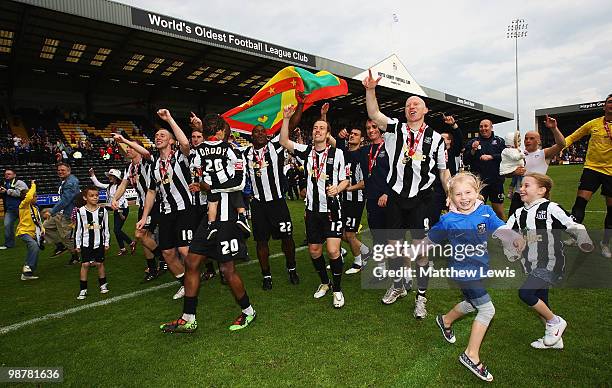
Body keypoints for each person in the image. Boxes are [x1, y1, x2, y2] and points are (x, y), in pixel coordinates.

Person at [363, 69, 450, 318]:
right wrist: (371, 90)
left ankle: (421, 297)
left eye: (416, 104)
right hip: (396, 198)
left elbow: (443, 172)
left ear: (424, 111)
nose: (411, 107)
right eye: (408, 104)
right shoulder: (395, 129)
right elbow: (374, 114)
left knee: (421, 251)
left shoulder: (435, 139)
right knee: (393, 247)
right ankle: (399, 285)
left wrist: (450, 193)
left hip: (422, 199)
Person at [159, 118, 256, 333]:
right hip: (210, 216)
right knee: (192, 262)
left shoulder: (232, 150)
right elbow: (196, 168)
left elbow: (239, 183)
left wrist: (209, 186)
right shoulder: (201, 151)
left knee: (227, 270)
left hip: (228, 217)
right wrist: (205, 184)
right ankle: (188, 318)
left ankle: (248, 311)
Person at [427, 172, 524, 382]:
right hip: (462, 272)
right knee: (487, 309)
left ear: (477, 192)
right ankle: (471, 355)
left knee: (472, 303)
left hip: (480, 269)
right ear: (451, 197)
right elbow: (430, 240)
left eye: (468, 192)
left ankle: (445, 321)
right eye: (458, 194)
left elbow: (501, 228)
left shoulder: (486, 212)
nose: (464, 198)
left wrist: (514, 238)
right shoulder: (448, 220)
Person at [508, 173, 593, 350]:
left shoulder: (550, 208)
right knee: (541, 301)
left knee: (525, 293)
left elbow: (572, 225)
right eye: (521, 186)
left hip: (549, 261)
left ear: (541, 190)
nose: (521, 189)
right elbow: (505, 231)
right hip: (530, 263)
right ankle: (555, 338)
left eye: (526, 186)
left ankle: (556, 322)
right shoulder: (518, 213)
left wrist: (583, 240)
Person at [279, 104, 349, 308]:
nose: (317, 131)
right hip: (312, 211)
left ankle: (337, 289)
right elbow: (284, 141)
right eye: (315, 128)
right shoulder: (306, 151)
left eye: (321, 128)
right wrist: (286, 118)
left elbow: (345, 179)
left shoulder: (337, 154)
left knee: (333, 251)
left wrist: (338, 188)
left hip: (332, 210)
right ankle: (324, 283)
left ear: (328, 134)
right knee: (314, 251)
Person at [135, 109, 193, 300]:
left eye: (163, 135)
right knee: (167, 253)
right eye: (156, 135)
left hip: (185, 209)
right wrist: (144, 217)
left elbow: (185, 143)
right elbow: (151, 192)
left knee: (184, 250)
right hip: (167, 211)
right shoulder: (153, 166)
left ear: (171, 141)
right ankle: (185, 283)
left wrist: (169, 119)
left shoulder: (180, 157)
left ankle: (198, 274)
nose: (158, 137)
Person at [243, 124, 300, 290]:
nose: (260, 134)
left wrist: (294, 111)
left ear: (267, 134)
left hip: (277, 203)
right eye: (256, 132)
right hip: (258, 205)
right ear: (251, 136)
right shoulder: (245, 153)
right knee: (261, 242)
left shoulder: (275, 146)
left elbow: (290, 127)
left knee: (287, 238)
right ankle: (266, 275)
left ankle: (292, 269)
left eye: (263, 131)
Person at [564, 93, 612, 258]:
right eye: (609, 102)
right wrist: (560, 147)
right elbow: (574, 136)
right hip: (592, 168)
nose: (611, 105)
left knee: (611, 210)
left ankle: (605, 244)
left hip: (611, 172)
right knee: (580, 204)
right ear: (604, 106)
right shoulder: (594, 124)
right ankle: (574, 236)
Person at [110, 134, 163, 282]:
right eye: (127, 148)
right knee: (144, 238)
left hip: (155, 204)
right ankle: (154, 267)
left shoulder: (148, 162)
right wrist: (115, 198)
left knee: (141, 235)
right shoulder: (130, 167)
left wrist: (125, 140)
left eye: (131, 148)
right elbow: (123, 184)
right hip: (143, 206)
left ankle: (163, 260)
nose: (128, 150)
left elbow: (146, 153)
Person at [506, 115, 566, 216]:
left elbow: (561, 144)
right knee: (514, 225)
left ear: (538, 141)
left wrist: (554, 128)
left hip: (537, 195)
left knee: (537, 225)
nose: (528, 140)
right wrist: (513, 172)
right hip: (519, 194)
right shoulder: (518, 154)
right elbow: (506, 174)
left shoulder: (544, 154)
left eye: (532, 138)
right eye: (526, 138)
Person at [332, 127, 371, 274]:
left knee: (349, 234)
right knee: (338, 231)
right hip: (342, 200)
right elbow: (328, 136)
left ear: (362, 139)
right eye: (351, 134)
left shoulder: (363, 155)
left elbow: (365, 181)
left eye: (356, 134)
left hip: (356, 199)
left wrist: (349, 188)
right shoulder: (343, 152)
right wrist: (323, 116)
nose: (352, 136)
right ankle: (365, 251)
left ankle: (358, 261)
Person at [462, 119, 506, 220]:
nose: (483, 129)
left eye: (486, 126)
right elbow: (465, 161)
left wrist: (492, 157)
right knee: (478, 210)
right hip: (479, 182)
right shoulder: (473, 142)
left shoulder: (499, 141)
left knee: (498, 210)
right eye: (481, 126)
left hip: (496, 181)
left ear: (491, 127)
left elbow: (506, 157)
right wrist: (473, 150)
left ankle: (503, 232)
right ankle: (479, 233)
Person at [74, 186, 111, 300]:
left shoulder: (102, 210)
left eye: (96, 195)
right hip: (86, 243)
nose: (95, 198)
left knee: (99, 263)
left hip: (99, 242)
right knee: (85, 264)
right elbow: (78, 228)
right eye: (92, 196)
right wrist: (78, 244)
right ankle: (83, 289)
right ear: (85, 197)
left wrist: (106, 242)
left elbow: (105, 228)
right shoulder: (81, 211)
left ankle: (103, 285)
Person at [42, 162, 80, 265]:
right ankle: (60, 245)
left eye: (62, 170)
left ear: (69, 170)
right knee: (44, 227)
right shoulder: (66, 181)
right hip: (61, 212)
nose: (60, 172)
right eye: (58, 170)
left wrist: (52, 211)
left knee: (67, 237)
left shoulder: (70, 182)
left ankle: (75, 256)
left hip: (68, 214)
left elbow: (65, 200)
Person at [90, 168, 135, 256]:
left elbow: (121, 201)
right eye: (109, 176)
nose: (110, 177)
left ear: (116, 177)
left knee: (117, 230)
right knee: (116, 230)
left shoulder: (120, 187)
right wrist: (92, 175)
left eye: (112, 176)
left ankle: (130, 243)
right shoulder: (109, 186)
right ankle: (123, 248)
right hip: (115, 208)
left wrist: (120, 212)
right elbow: (98, 184)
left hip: (121, 209)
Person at [16, 180, 44, 280]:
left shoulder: (35, 208)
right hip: (24, 232)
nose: (37, 197)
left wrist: (42, 229)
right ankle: (28, 266)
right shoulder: (23, 206)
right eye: (35, 196)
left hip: (33, 233)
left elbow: (38, 221)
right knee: (33, 246)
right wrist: (33, 185)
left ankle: (27, 273)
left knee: (34, 249)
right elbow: (28, 196)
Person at [0, 169, 28, 249]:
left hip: (22, 209)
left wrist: (7, 191)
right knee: (7, 225)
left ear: (14, 175)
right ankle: (9, 244)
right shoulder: (5, 183)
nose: (7, 175)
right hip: (10, 209)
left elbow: (22, 194)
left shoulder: (20, 183)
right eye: (5, 174)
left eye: (9, 174)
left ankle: (40, 238)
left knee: (30, 225)